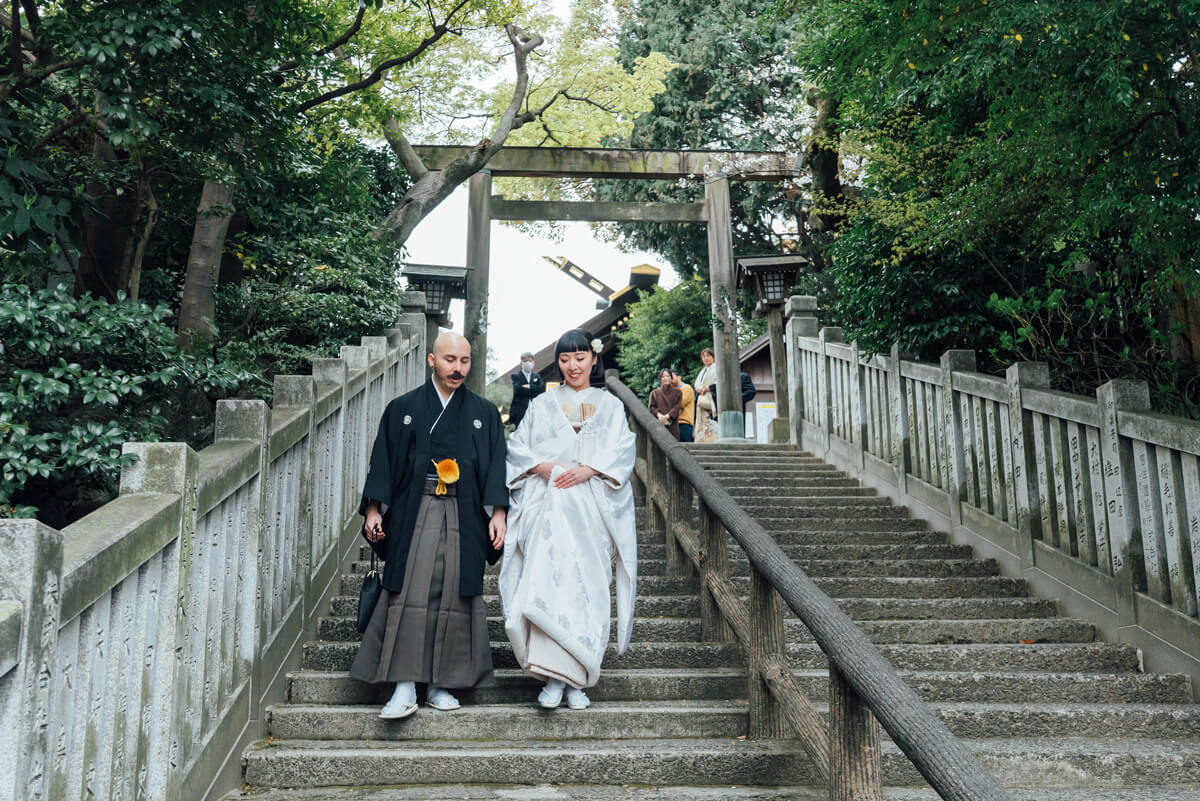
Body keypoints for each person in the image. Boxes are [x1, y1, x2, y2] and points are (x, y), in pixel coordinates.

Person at [351, 332, 509, 720]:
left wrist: (499, 513)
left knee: (455, 592)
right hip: (415, 509)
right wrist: (374, 509)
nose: (458, 368)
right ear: (431, 360)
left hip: (465, 512)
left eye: (465, 361)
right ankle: (404, 685)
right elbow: (383, 461)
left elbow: (496, 465)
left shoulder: (484, 413)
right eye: (450, 359)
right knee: (410, 590)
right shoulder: (403, 408)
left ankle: (441, 683)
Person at [499, 329, 637, 710]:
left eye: (580, 357)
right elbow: (518, 449)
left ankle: (578, 679)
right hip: (550, 508)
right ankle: (552, 678)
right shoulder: (543, 404)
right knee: (549, 582)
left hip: (591, 510)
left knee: (588, 588)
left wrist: (590, 469)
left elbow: (624, 452)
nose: (572, 365)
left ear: (593, 359)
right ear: (557, 363)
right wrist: (543, 467)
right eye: (565, 359)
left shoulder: (609, 406)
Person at [508, 351, 545, 428]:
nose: (528, 363)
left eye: (530, 361)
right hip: (519, 413)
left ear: (533, 363)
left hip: (535, 413)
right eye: (525, 361)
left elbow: (542, 389)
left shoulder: (537, 377)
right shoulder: (515, 376)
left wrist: (529, 386)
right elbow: (518, 390)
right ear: (521, 364)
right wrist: (534, 389)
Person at [648, 367, 682, 439]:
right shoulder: (654, 393)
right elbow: (651, 408)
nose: (665, 378)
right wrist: (660, 416)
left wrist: (666, 416)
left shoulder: (678, 392)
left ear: (671, 378)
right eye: (663, 376)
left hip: (672, 425)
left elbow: (677, 407)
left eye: (667, 376)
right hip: (659, 425)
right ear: (660, 379)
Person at [693, 348, 718, 442]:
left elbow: (719, 383)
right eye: (703, 356)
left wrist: (707, 388)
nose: (705, 358)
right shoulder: (703, 371)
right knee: (701, 423)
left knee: (712, 423)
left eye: (708, 356)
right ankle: (702, 440)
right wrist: (698, 389)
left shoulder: (717, 368)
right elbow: (696, 384)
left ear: (713, 357)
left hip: (712, 398)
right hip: (702, 398)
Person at [671, 368, 695, 443]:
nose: (670, 379)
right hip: (673, 424)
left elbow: (679, 404)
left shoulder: (686, 388)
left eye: (672, 377)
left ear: (679, 377)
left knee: (685, 449)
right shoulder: (671, 391)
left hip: (684, 424)